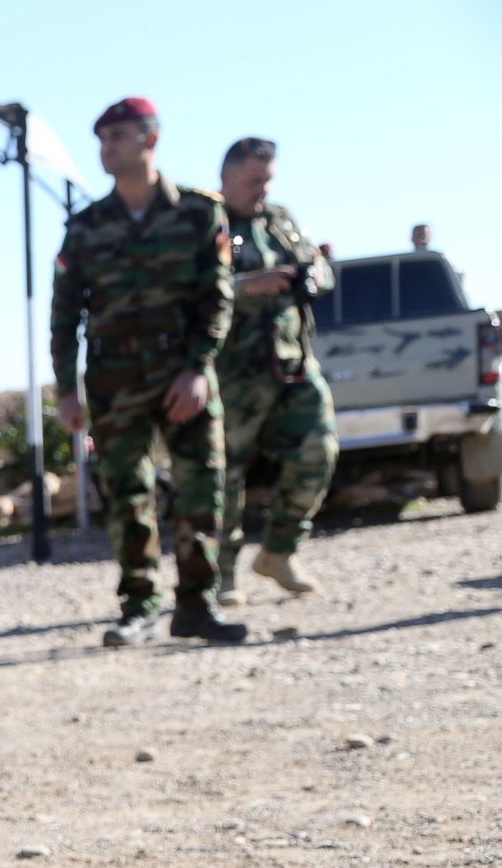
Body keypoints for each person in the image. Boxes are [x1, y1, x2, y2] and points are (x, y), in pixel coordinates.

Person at [51, 97, 242, 648]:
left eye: (116, 137)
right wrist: (67, 389)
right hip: (114, 381)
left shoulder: (200, 214)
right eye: (101, 140)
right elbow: (65, 315)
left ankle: (197, 605)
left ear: (148, 140)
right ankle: (139, 607)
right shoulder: (86, 227)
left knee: (201, 487)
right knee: (127, 494)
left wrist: (198, 368)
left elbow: (218, 298)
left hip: (183, 375)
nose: (105, 149)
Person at [213, 138, 334, 603]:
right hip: (232, 373)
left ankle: (279, 552)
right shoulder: (207, 222)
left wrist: (316, 275)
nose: (261, 190)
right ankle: (222, 574)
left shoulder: (278, 218)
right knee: (225, 475)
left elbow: (317, 266)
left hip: (291, 364)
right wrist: (248, 285)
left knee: (319, 448)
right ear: (227, 177)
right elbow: (188, 288)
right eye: (253, 181)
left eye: (267, 181)